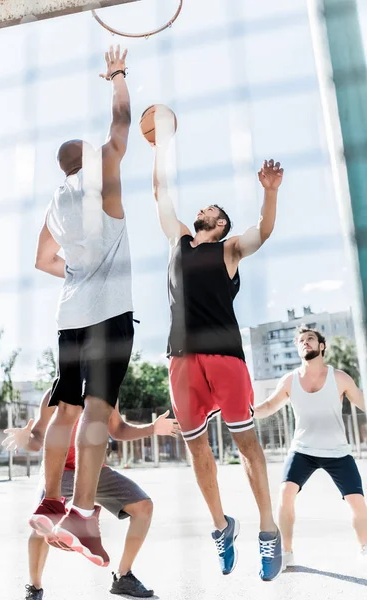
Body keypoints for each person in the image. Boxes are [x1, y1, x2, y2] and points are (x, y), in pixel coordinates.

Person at [151, 107, 284, 580]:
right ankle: (222, 526)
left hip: (224, 354)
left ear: (221, 224)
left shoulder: (228, 250)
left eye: (212, 209)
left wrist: (269, 195)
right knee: (197, 450)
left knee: (246, 445)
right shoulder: (179, 242)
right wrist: (161, 147)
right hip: (180, 357)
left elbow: (263, 232)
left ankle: (269, 531)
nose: (201, 209)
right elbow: (160, 193)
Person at [30, 45, 134, 566]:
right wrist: (117, 77)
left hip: (69, 314)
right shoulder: (105, 175)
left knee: (66, 408)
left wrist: (75, 271)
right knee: (95, 410)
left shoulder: (56, 200)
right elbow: (121, 124)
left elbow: (42, 259)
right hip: (110, 311)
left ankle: (50, 498)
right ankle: (84, 513)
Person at [3, 389, 180, 599]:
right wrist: (26, 440)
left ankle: (123, 576)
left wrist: (152, 428)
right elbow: (38, 438)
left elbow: (118, 429)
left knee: (143, 507)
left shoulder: (106, 388)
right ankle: (34, 587)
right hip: (60, 471)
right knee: (42, 522)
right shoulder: (57, 391)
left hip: (93, 469)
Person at [254, 326, 367, 569]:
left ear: (321, 346)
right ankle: (286, 553)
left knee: (357, 502)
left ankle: (365, 548)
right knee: (285, 494)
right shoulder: (290, 380)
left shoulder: (339, 378)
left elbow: (363, 403)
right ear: (297, 348)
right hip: (302, 450)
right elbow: (268, 406)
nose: (306, 343)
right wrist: (247, 411)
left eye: (311, 339)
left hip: (337, 451)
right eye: (301, 341)